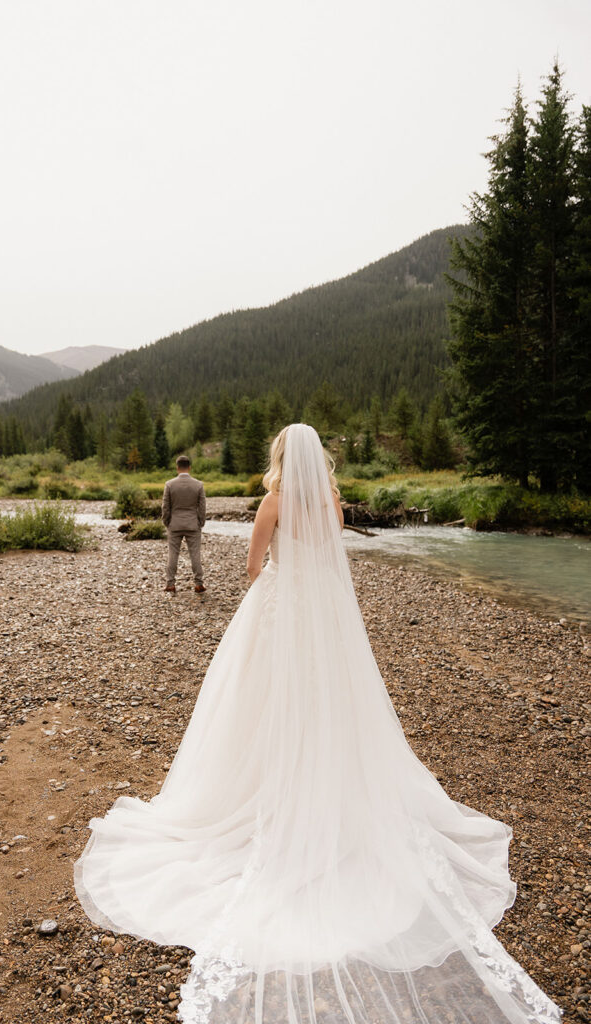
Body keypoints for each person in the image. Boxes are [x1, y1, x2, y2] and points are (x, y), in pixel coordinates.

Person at [74, 424, 561, 1024]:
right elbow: (332, 559)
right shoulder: (329, 500)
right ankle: (329, 784)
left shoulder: (274, 501)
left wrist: (279, 588)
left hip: (283, 614)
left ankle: (264, 790)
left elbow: (256, 567)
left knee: (260, 706)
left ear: (281, 457)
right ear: (318, 460)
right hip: (325, 616)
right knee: (331, 702)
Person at [161, 454, 206, 594]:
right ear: (189, 467)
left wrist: (166, 522)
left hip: (174, 524)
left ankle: (170, 584)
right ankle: (198, 584)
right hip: (193, 524)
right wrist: (200, 522)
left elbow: (165, 506)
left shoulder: (169, 484)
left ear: (177, 467)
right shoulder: (199, 485)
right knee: (195, 554)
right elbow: (202, 507)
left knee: (173, 554)